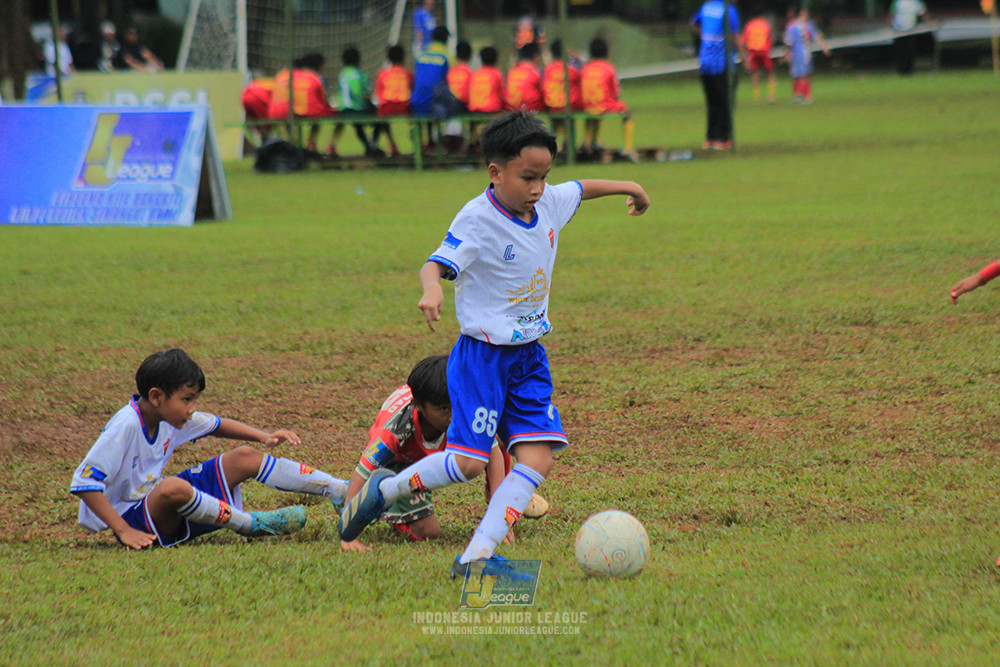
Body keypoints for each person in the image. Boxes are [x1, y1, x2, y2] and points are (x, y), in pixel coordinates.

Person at [337, 110, 650, 580]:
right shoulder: (478, 219)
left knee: (538, 457)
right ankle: (387, 490)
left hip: (530, 357)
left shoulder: (547, 201)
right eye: (528, 177)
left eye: (544, 176)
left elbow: (581, 187)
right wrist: (432, 289)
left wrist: (631, 186)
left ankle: (477, 557)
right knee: (468, 463)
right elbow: (433, 263)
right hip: (483, 357)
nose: (538, 188)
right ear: (495, 172)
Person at [70, 349, 349, 550]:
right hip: (136, 520)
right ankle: (250, 524)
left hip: (162, 505)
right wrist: (124, 530)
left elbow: (216, 424)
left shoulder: (167, 416)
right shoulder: (126, 425)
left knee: (243, 456)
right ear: (156, 397)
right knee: (171, 487)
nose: (192, 408)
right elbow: (84, 484)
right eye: (187, 399)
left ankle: (339, 490)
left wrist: (264, 437)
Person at [340, 354, 548, 552]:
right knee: (428, 532)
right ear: (418, 406)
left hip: (432, 450)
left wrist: (499, 515)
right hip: (398, 465)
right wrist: (348, 535)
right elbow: (363, 472)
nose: (452, 416)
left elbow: (492, 452)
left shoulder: (464, 410)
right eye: (443, 410)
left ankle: (503, 491)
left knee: (499, 432)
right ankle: (375, 503)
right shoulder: (393, 432)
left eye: (456, 406)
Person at [691, 0, 744, 150]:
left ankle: (711, 137)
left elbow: (693, 23)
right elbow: (735, 37)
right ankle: (722, 138)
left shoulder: (707, 7)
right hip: (722, 64)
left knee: (712, 102)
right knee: (725, 101)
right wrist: (746, 58)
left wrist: (705, 37)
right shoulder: (729, 11)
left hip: (705, 62)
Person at [268, 53, 337, 155]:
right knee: (316, 117)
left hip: (274, 112)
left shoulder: (280, 75)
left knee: (288, 122)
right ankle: (308, 143)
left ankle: (294, 145)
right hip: (295, 111)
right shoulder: (308, 77)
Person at [580, 38, 636, 161]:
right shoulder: (609, 68)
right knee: (627, 113)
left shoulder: (585, 68)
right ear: (607, 52)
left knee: (592, 115)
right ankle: (628, 149)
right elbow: (615, 93)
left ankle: (589, 142)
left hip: (587, 106)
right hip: (602, 105)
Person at [412, 26, 459, 150]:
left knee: (429, 94)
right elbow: (454, 81)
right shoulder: (447, 55)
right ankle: (451, 140)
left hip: (417, 102)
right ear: (446, 39)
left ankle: (427, 142)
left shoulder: (421, 54)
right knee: (456, 105)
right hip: (435, 105)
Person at [333, 46, 382, 157]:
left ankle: (332, 145)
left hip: (342, 111)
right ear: (358, 59)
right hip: (357, 109)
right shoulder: (361, 74)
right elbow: (366, 95)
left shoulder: (342, 74)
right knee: (381, 119)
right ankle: (373, 145)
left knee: (357, 125)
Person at [543, 39, 583, 154]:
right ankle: (568, 144)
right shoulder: (570, 70)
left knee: (557, 119)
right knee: (568, 115)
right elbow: (581, 81)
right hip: (568, 106)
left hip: (552, 106)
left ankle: (554, 144)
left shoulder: (547, 70)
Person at [783, 7, 830, 104]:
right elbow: (817, 37)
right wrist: (824, 47)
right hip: (804, 54)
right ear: (801, 14)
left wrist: (787, 53)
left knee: (797, 75)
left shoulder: (792, 26)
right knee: (802, 75)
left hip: (797, 54)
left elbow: (788, 42)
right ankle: (803, 96)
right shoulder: (807, 26)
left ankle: (802, 96)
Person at [374, 44, 413, 157]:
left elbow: (379, 93)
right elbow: (412, 89)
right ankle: (417, 144)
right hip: (404, 107)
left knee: (380, 119)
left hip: (387, 107)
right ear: (403, 57)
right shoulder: (407, 73)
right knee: (415, 118)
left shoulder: (383, 73)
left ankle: (389, 144)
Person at [467, 46, 507, 150]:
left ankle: (473, 143)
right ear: (496, 59)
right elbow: (503, 95)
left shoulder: (475, 74)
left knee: (475, 123)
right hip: (492, 110)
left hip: (474, 110)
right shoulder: (497, 74)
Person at [742, 10, 776, 104]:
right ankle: (771, 97)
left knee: (755, 74)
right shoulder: (765, 24)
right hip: (764, 50)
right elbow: (770, 37)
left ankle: (757, 99)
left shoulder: (749, 25)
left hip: (753, 51)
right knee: (769, 73)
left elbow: (744, 40)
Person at [889, 0, 931, 75]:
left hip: (911, 31)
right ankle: (900, 70)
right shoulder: (898, 2)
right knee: (900, 51)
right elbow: (891, 14)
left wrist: (931, 22)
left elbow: (923, 14)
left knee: (910, 50)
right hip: (898, 31)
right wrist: (889, 26)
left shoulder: (917, 3)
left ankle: (909, 70)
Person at [506, 42, 545, 112]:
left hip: (512, 110)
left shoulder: (512, 73)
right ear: (536, 57)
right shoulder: (536, 73)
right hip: (531, 109)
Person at [241, 76, 276, 143]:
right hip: (257, 98)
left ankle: (263, 140)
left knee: (255, 122)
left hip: (245, 95)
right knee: (267, 124)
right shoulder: (277, 85)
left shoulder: (270, 83)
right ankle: (266, 141)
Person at [447, 40, 474, 112]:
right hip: (464, 108)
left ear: (456, 55)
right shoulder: (470, 73)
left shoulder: (450, 72)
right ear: (470, 56)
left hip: (450, 105)